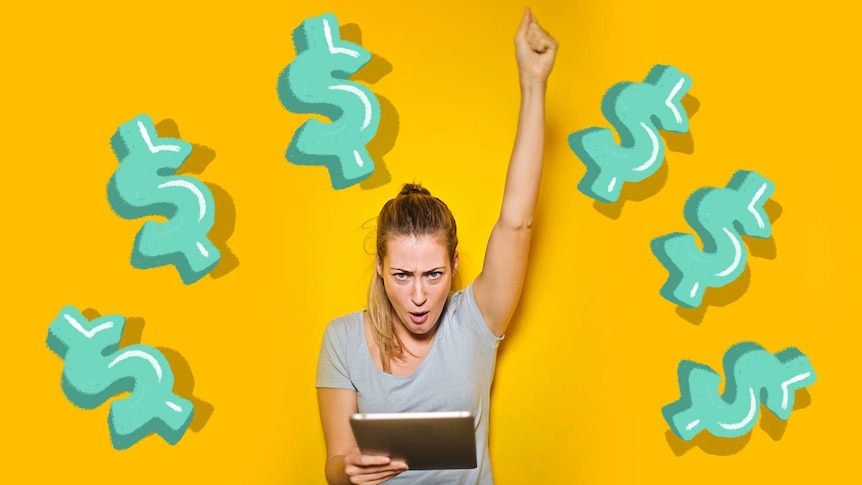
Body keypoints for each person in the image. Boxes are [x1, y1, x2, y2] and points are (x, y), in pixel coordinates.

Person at [315, 7, 558, 484]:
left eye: (433, 274)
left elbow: (517, 223)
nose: (420, 296)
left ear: (454, 264)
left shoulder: (476, 319)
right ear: (381, 268)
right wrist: (350, 469)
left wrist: (534, 85)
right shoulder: (342, 339)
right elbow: (334, 464)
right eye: (403, 275)